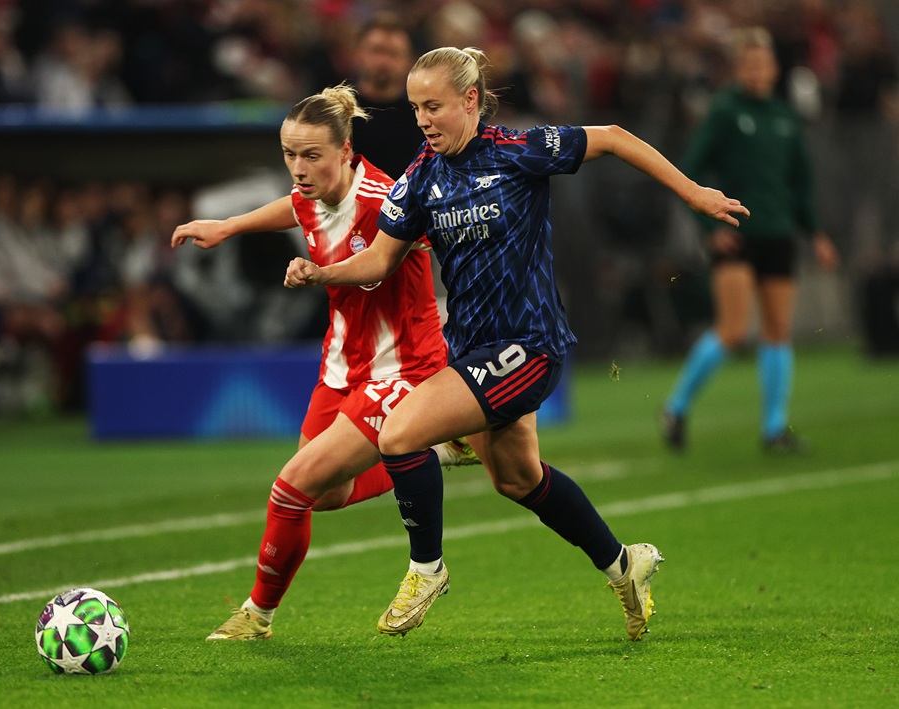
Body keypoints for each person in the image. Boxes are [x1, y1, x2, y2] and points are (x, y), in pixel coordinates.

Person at [285, 47, 750, 641]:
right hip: (470, 350)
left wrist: (691, 193)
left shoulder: (521, 153)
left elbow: (610, 136)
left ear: (471, 101)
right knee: (517, 479)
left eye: (434, 106)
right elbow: (378, 259)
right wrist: (321, 273)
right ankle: (623, 564)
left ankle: (426, 569)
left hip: (528, 346)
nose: (424, 119)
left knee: (399, 432)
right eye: (415, 108)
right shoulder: (419, 180)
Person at [171, 84, 477, 641]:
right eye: (289, 154)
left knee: (291, 487)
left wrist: (315, 275)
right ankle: (432, 447)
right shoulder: (308, 191)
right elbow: (295, 206)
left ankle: (256, 617)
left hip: (402, 368)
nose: (298, 167)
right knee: (327, 493)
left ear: (346, 150)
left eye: (311, 155)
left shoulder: (387, 201)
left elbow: (376, 267)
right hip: (341, 367)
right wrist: (228, 227)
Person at [660, 27, 838, 453]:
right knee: (734, 331)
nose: (758, 72)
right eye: (750, 64)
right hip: (736, 237)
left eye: (764, 64)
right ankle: (676, 406)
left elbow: (800, 182)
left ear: (775, 68)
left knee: (778, 331)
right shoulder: (724, 112)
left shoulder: (783, 116)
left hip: (778, 234)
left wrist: (814, 232)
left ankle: (774, 429)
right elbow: (690, 172)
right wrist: (710, 229)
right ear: (739, 69)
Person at [350, 13, 425, 180]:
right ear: (358, 54)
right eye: (376, 51)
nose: (383, 62)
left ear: (409, 61)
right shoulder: (333, 112)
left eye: (393, 54)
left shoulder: (424, 120)